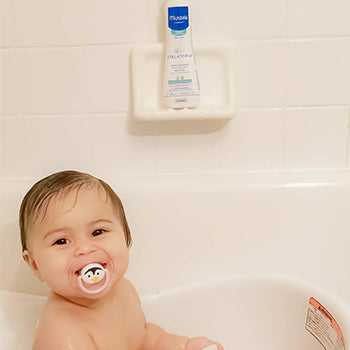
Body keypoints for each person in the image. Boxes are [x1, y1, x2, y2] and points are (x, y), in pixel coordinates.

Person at [19, 170, 224, 350]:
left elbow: (143, 339)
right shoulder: (63, 334)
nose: (84, 249)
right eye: (61, 241)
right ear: (35, 265)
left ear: (126, 236)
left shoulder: (124, 290)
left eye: (98, 231)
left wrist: (182, 345)